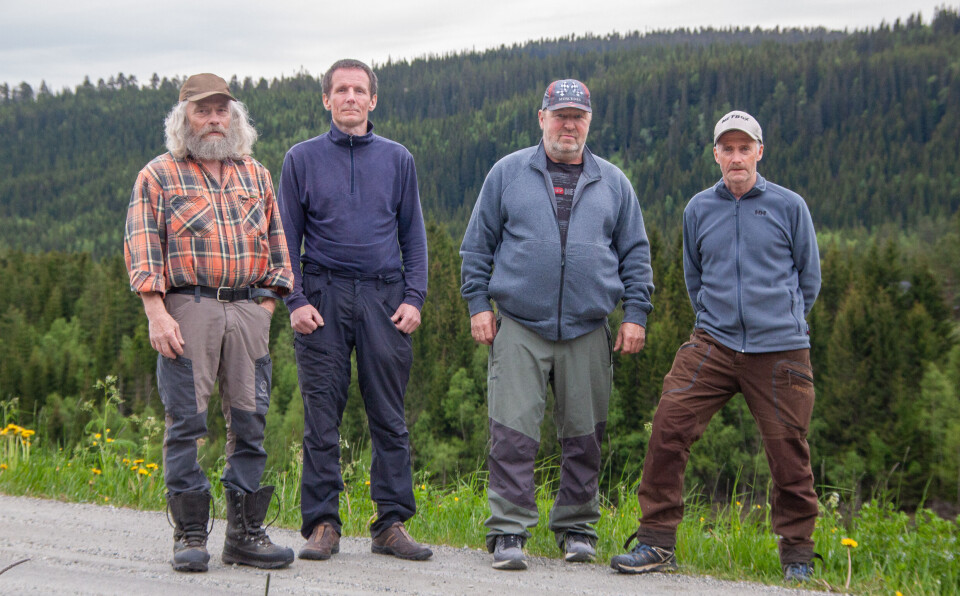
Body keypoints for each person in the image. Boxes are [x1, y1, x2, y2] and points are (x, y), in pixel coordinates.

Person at [611, 110, 822, 582]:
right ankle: (656, 543)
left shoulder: (790, 207)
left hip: (781, 349)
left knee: (788, 450)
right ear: (715, 155)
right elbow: (695, 279)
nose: (736, 157)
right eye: (726, 149)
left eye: (744, 148)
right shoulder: (697, 209)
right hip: (714, 342)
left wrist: (781, 323)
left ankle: (799, 558)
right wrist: (716, 320)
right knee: (668, 426)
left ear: (759, 152)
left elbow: (809, 280)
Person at [460, 79, 654, 570]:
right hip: (519, 325)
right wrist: (478, 304)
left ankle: (577, 528)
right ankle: (508, 533)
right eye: (560, 114)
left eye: (579, 116)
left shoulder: (614, 182)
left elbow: (635, 253)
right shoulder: (507, 173)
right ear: (541, 117)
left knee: (584, 435)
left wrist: (636, 313)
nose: (570, 124)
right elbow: (477, 245)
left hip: (589, 326)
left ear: (589, 121)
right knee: (512, 432)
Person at [124, 73, 295, 572]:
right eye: (203, 111)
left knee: (250, 422)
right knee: (186, 424)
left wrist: (264, 308)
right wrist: (156, 312)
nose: (214, 118)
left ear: (235, 117)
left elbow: (280, 249)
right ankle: (191, 535)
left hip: (248, 309)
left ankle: (244, 535)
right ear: (184, 120)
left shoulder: (256, 175)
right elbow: (142, 248)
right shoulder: (158, 175)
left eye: (222, 109)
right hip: (186, 308)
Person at [278, 59, 432, 562]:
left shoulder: (397, 159)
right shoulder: (300, 158)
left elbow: (414, 234)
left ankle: (391, 523)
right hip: (320, 296)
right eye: (340, 89)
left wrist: (415, 298)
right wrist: (294, 300)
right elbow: (285, 239)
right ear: (326, 100)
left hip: (384, 298)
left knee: (389, 414)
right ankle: (322, 523)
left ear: (372, 100)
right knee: (321, 414)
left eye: (358, 90)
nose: (349, 97)